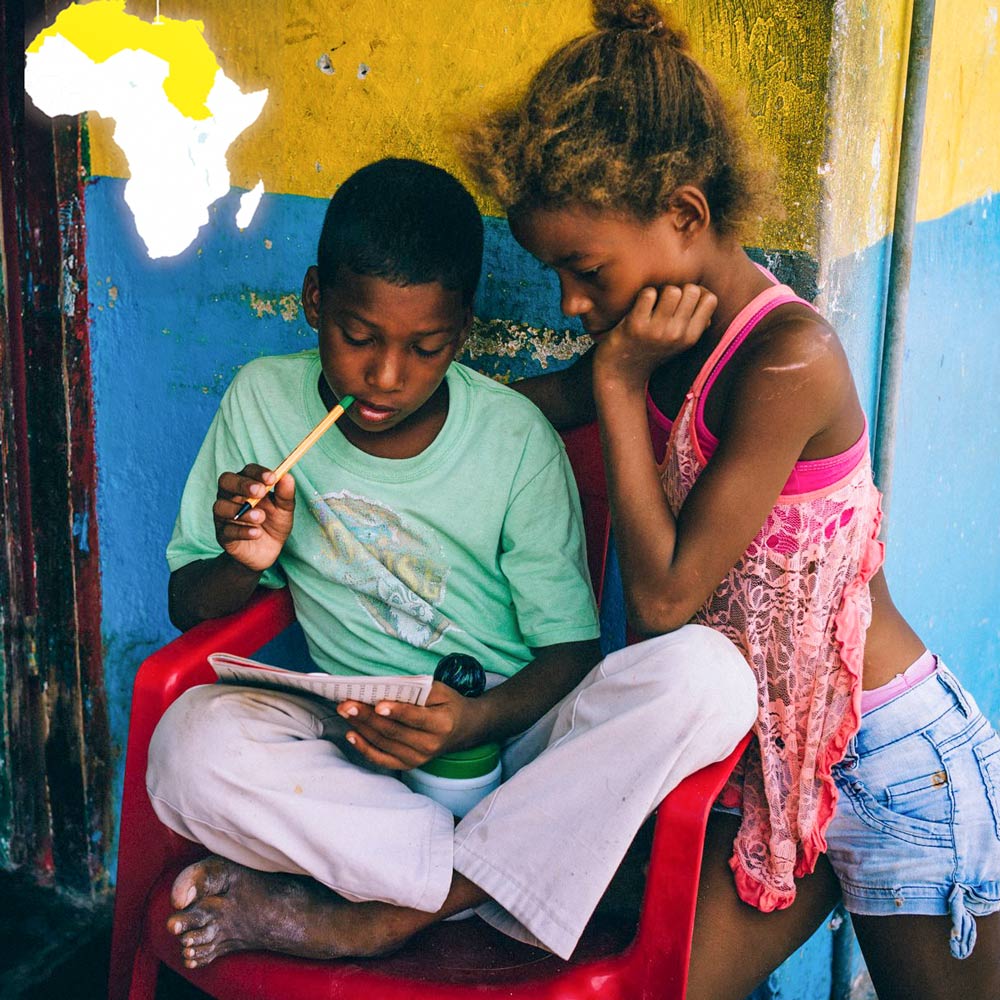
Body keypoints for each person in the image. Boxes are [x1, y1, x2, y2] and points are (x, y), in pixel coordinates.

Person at [457, 4, 1000, 999]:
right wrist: (380, 412)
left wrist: (617, 385)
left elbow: (664, 598)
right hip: (760, 774)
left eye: (584, 271)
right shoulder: (653, 341)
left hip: (892, 766)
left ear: (685, 215)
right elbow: (514, 414)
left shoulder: (786, 360)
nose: (573, 306)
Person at [147, 156, 756, 970]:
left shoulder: (514, 440)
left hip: (511, 745)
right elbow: (192, 604)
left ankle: (384, 913)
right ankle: (503, 877)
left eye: (425, 347)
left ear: (462, 330)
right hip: (355, 756)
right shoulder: (263, 400)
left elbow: (570, 653)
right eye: (357, 337)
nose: (385, 375)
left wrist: (471, 722)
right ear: (314, 299)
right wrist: (240, 558)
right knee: (187, 746)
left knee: (710, 677)